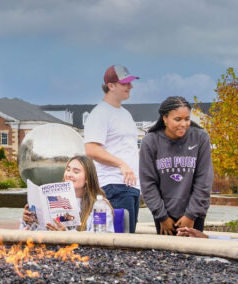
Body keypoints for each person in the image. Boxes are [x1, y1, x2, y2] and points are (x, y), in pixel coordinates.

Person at [139, 96, 213, 236]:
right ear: (165, 118)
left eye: (187, 119)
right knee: (167, 257)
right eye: (177, 119)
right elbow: (148, 183)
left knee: (193, 255)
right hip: (164, 217)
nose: (184, 124)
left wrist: (191, 215)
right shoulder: (150, 141)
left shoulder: (200, 138)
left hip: (194, 215)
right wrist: (161, 216)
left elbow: (204, 180)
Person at [83, 65, 141, 233]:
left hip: (131, 187)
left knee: (129, 237)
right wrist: (121, 164)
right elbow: (91, 149)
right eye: (125, 83)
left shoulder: (125, 114)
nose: (130, 87)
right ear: (111, 86)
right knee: (120, 240)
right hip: (113, 186)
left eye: (130, 83)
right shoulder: (100, 113)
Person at [21, 156, 115, 232]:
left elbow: (101, 237)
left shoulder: (100, 206)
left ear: (87, 179)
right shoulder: (54, 199)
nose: (69, 174)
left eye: (76, 171)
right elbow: (41, 232)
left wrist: (66, 236)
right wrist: (30, 222)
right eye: (68, 169)